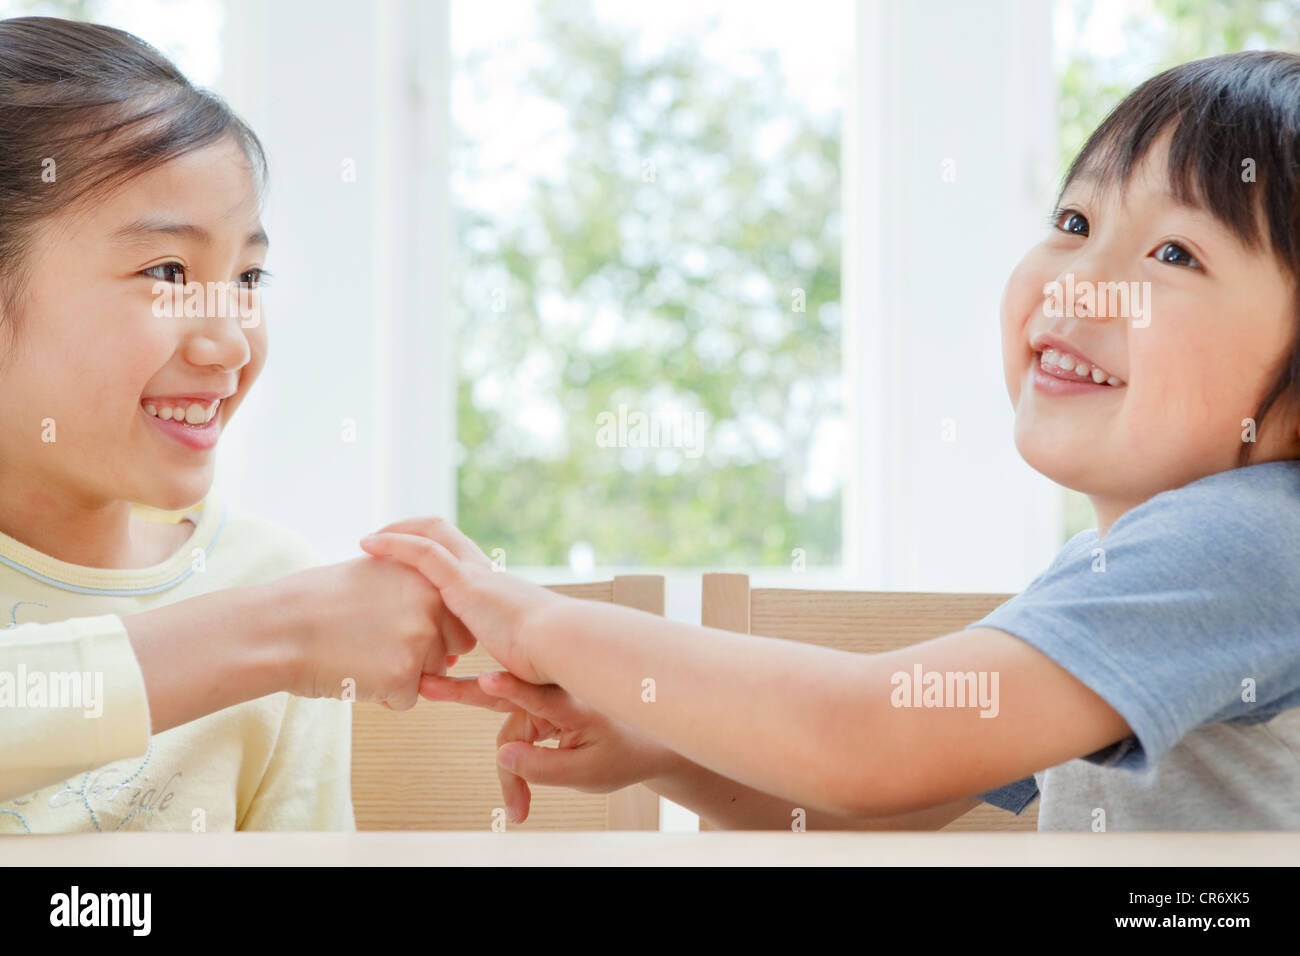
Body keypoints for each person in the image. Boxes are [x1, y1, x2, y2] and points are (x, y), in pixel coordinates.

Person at [364, 52, 1300, 831]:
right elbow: (888, 800)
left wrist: (541, 622)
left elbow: (869, 740)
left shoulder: (1250, 542)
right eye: (1074, 222)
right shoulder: (1116, 566)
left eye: (1174, 254)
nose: (1080, 281)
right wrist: (656, 748)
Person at [0, 17, 470, 832]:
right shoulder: (277, 619)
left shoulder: (264, 578)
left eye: (248, 275)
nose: (228, 343)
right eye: (168, 271)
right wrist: (276, 633)